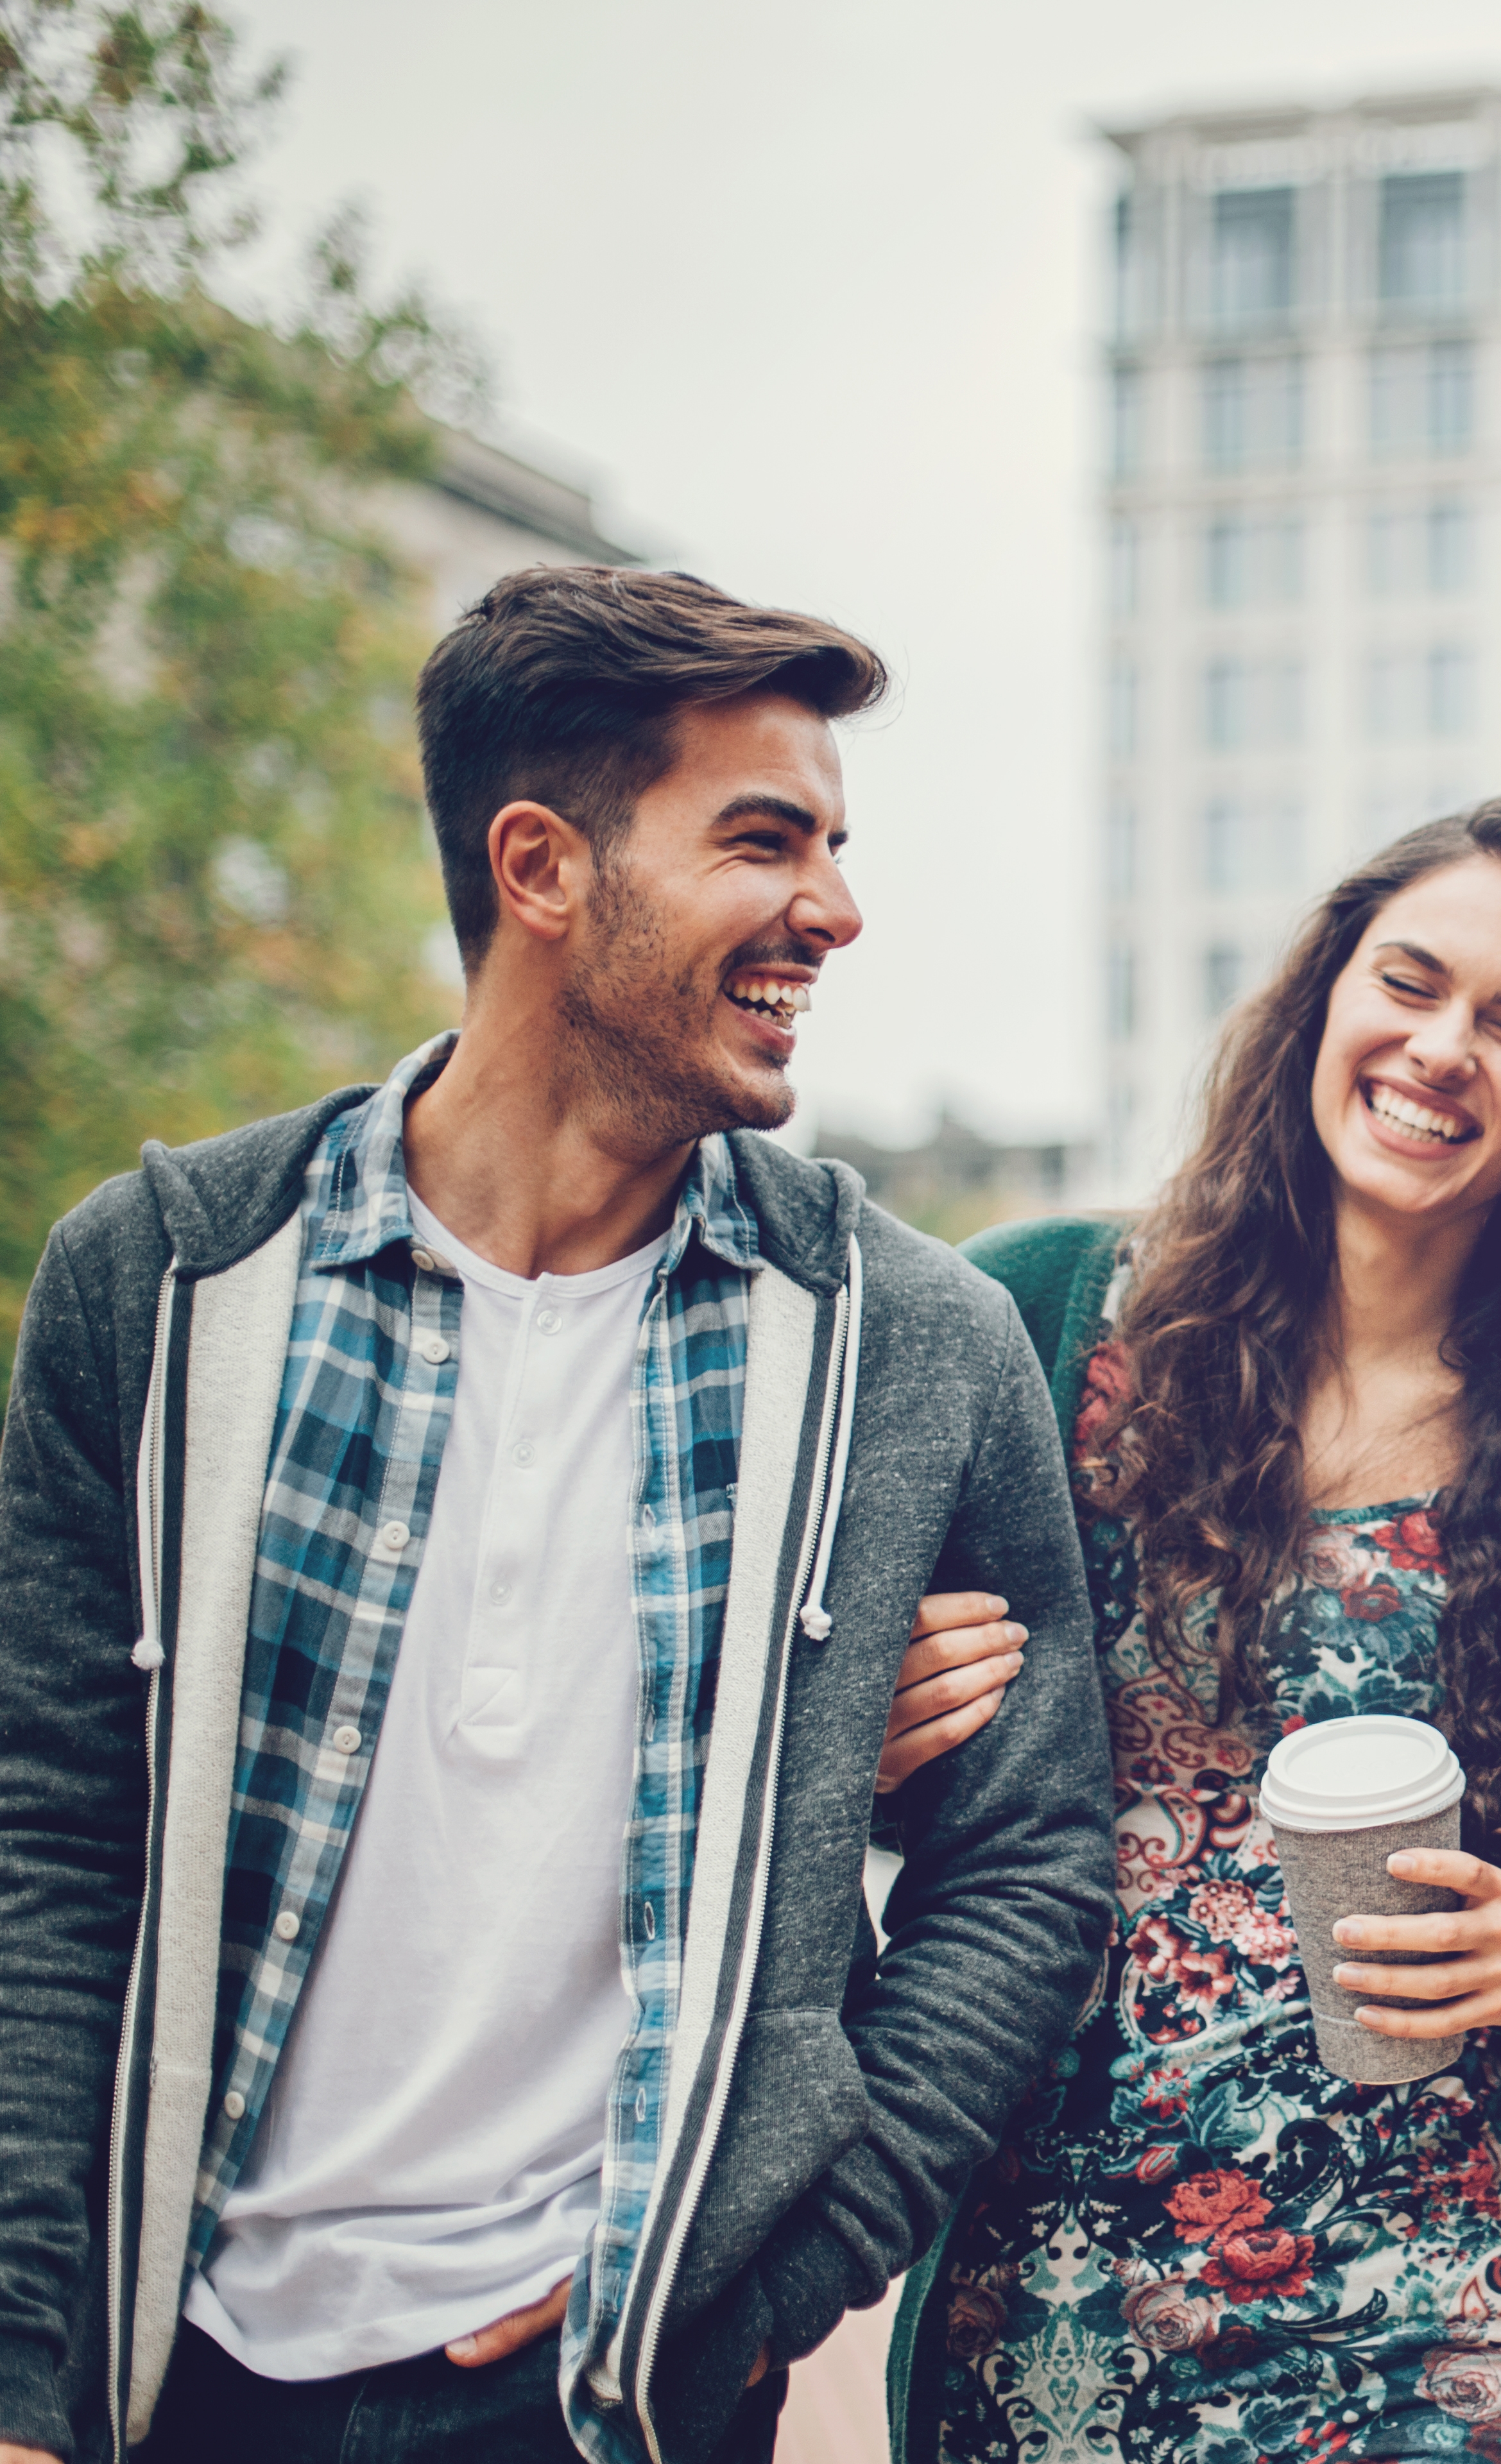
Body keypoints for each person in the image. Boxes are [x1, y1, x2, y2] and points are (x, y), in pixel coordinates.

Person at [0, 566, 1113, 2464]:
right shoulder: (171, 1286)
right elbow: (46, 1842)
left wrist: (760, 2278)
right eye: (765, 841)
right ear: (541, 868)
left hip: (612, 2404)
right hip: (165, 2376)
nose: (835, 911)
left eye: (835, 845)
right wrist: (23, 2367)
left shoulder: (910, 1347)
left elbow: (1031, 1869)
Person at [893, 797, 1501, 2464]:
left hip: (1433, 2314)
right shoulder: (1044, 1312)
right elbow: (819, 1725)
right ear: (1323, 1000)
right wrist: (865, 1744)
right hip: (1049, 2297)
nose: (1445, 1050)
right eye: (1411, 984)